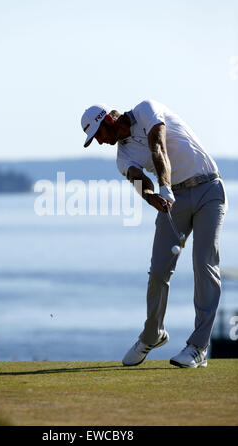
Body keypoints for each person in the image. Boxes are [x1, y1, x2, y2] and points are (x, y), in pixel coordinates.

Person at [81, 100, 228, 368]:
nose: (100, 142)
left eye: (98, 135)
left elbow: (158, 146)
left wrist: (165, 186)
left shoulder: (146, 110)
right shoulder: (122, 158)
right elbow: (141, 183)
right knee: (159, 270)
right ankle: (152, 335)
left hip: (209, 189)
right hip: (174, 199)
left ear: (107, 121)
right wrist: (154, 197)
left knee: (204, 264)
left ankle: (198, 347)